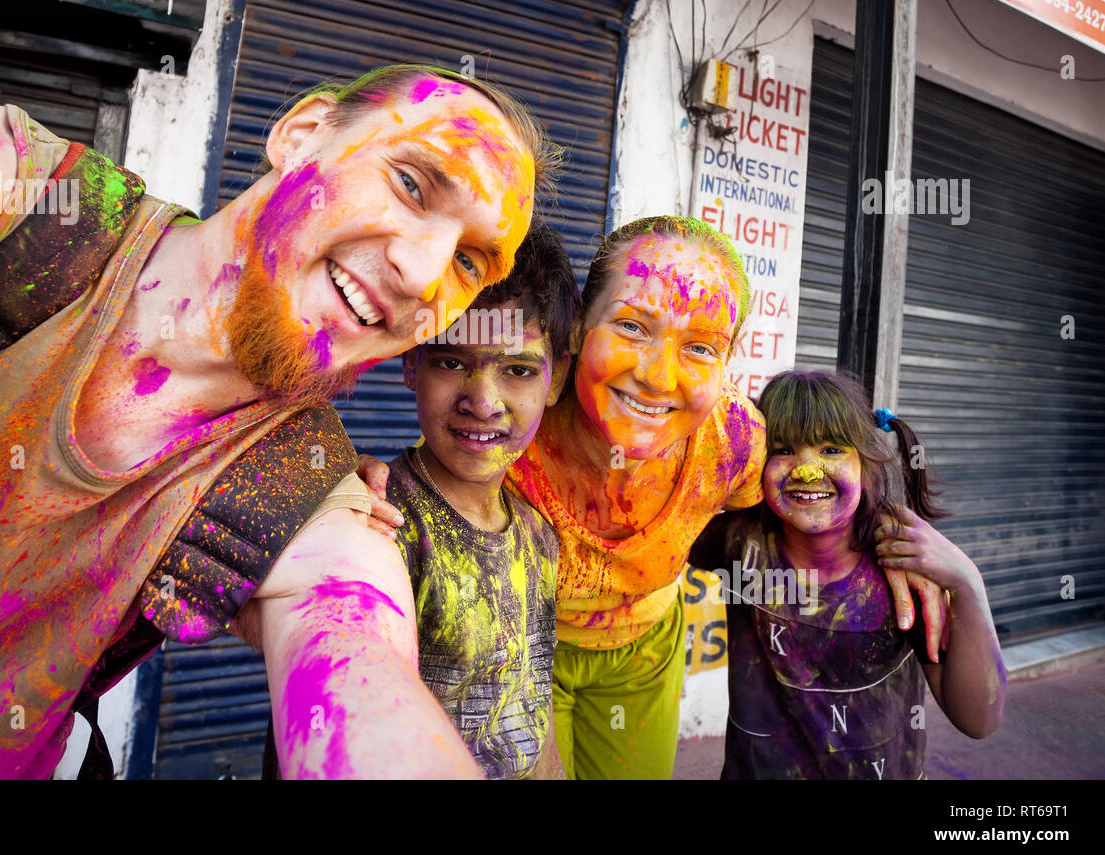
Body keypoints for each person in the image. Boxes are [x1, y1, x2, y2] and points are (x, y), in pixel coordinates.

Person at [0, 64, 556, 779]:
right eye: (409, 183)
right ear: (300, 134)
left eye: (469, 263)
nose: (424, 274)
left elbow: (360, 663)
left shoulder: (305, 492)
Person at [366, 214, 947, 779]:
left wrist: (887, 539)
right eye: (631, 327)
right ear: (575, 336)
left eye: (699, 348)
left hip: (643, 653)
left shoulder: (734, 443)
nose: (658, 377)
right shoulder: (512, 418)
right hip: (518, 650)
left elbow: (808, 501)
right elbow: (426, 476)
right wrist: (349, 479)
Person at [689, 369, 1005, 778]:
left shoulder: (904, 575)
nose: (806, 469)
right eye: (782, 450)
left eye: (832, 449)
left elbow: (978, 719)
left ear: (866, 465)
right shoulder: (739, 542)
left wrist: (967, 582)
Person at [375, 222, 577, 779]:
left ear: (555, 380)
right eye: (452, 362)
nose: (483, 402)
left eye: (517, 370)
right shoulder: (381, 524)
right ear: (410, 361)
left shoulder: (538, 536)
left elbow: (530, 719)